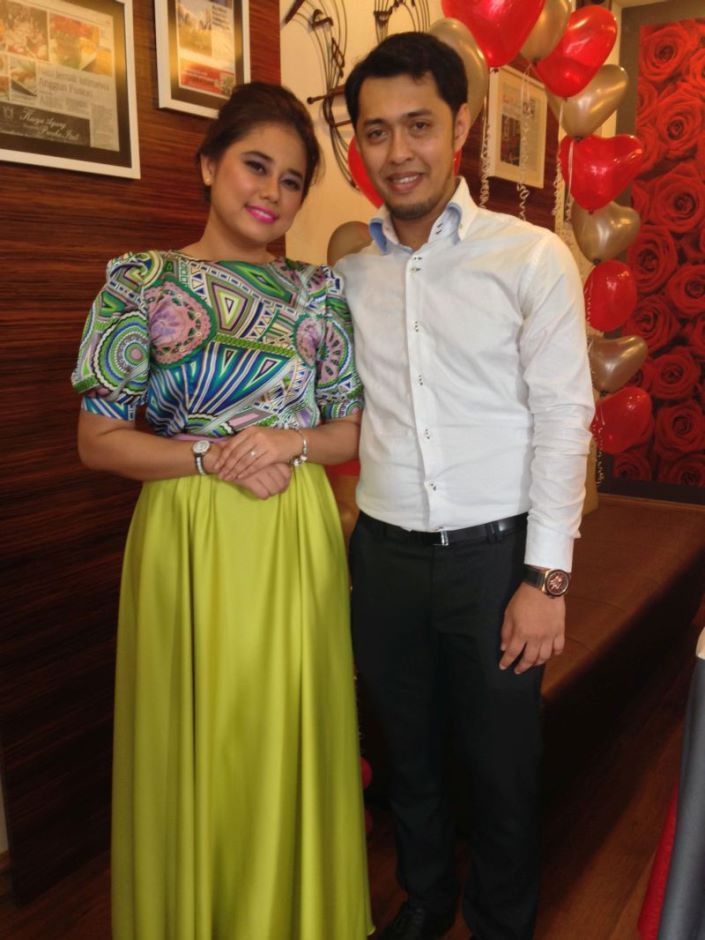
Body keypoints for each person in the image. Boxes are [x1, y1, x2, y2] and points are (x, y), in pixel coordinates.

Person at [71, 82, 372, 940]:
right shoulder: (141, 281)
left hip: (294, 533)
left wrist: (286, 443)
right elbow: (98, 441)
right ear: (209, 165)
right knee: (195, 739)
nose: (271, 192)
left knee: (286, 731)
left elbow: (351, 429)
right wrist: (209, 456)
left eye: (291, 179)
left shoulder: (319, 292)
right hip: (188, 535)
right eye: (255, 166)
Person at [335, 33, 595, 940]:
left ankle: (499, 923)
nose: (397, 152)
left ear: (462, 126)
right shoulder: (347, 273)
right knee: (404, 754)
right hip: (383, 556)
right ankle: (425, 900)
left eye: (418, 125)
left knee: (501, 768)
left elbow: (563, 418)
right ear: (357, 143)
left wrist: (544, 579)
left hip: (495, 559)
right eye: (375, 131)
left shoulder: (529, 256)